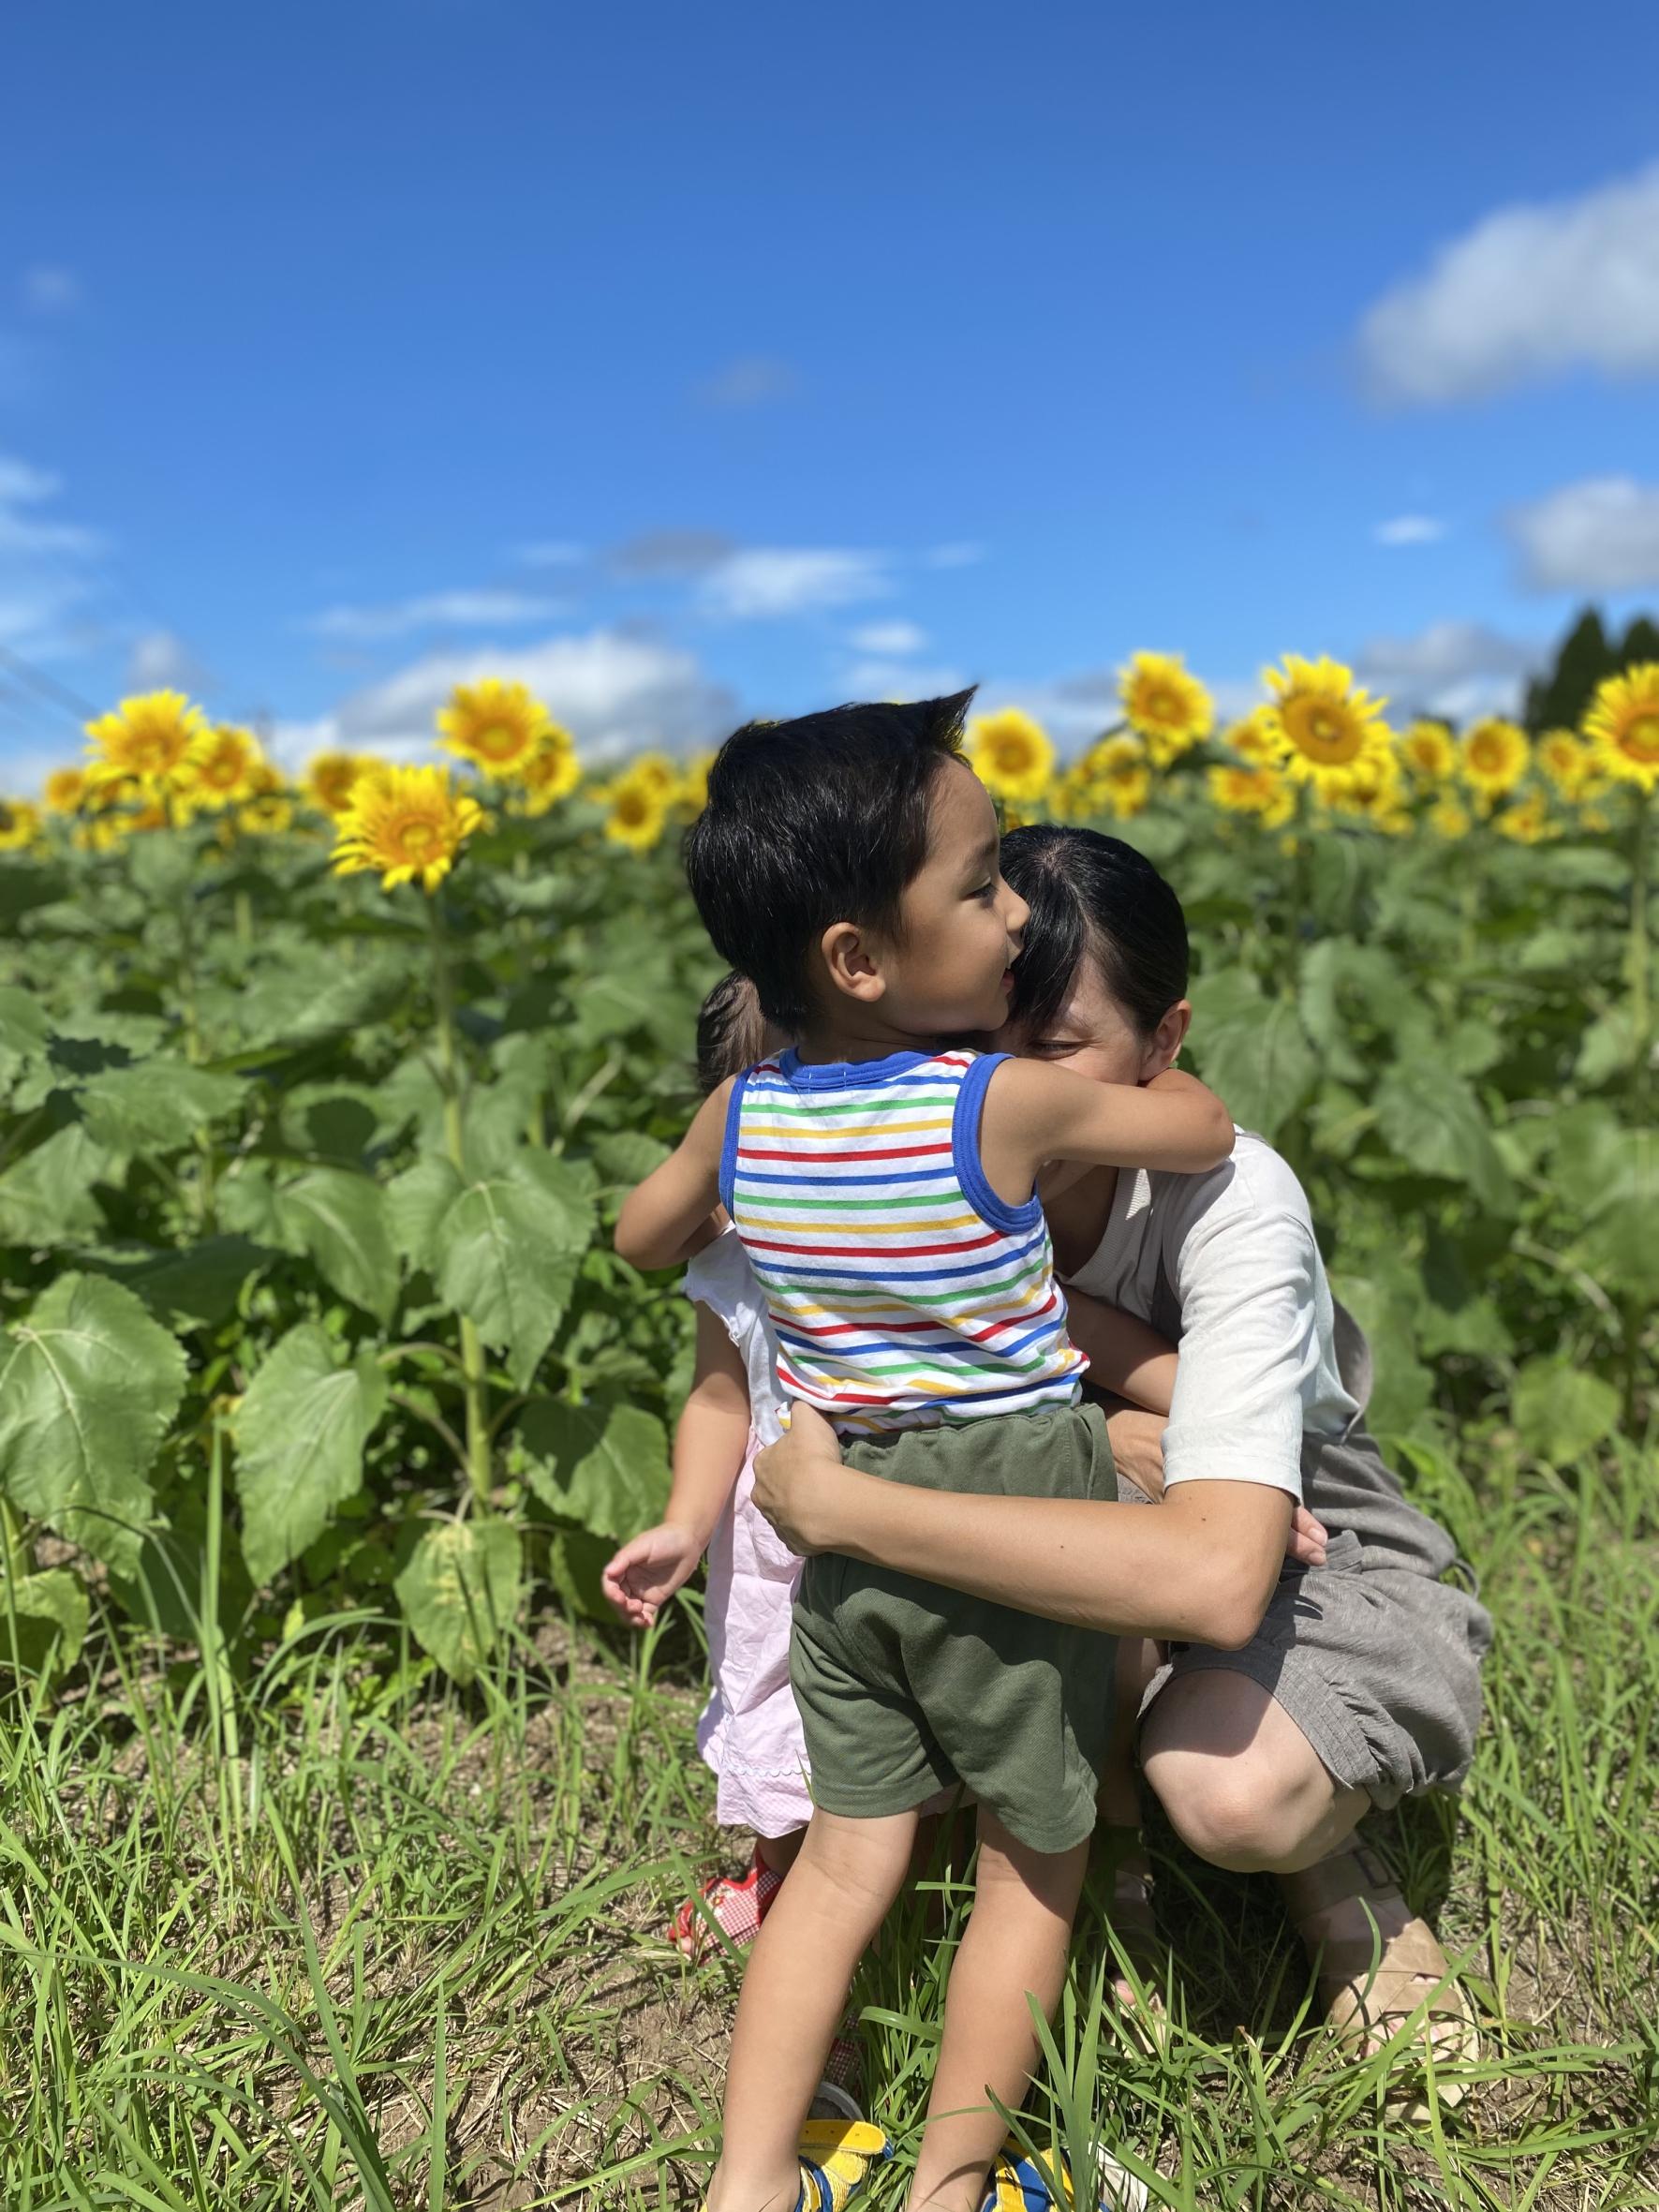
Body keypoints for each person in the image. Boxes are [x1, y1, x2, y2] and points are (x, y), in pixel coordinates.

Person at [752, 823, 1492, 2112]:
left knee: (1235, 1787)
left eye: (1045, 1047)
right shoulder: (925, 1167)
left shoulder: (1235, 1197)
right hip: (1027, 1518)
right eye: (971, 1035)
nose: (996, 1078)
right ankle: (1101, 1879)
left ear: (1163, 1048)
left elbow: (1215, 1576)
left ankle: (1335, 1867)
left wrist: (857, 1508)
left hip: (1299, 1523)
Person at [615, 692, 1234, 2212]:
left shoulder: (745, 1112)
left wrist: (725, 1192)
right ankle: (952, 2184)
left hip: (839, 1521)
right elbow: (1203, 1129)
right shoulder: (999, 1101)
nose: (1017, 910)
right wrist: (1140, 1072)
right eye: (981, 885)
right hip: (1004, 1504)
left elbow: (642, 1237)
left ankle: (748, 2180)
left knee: (842, 1862)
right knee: (1036, 1857)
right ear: (860, 959)